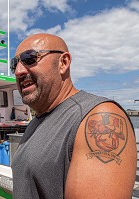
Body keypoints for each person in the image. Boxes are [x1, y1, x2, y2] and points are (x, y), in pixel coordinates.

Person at [10, 33, 137, 199]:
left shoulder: (97, 116)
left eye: (30, 58)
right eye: (14, 64)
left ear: (63, 63)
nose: (18, 71)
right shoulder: (38, 120)